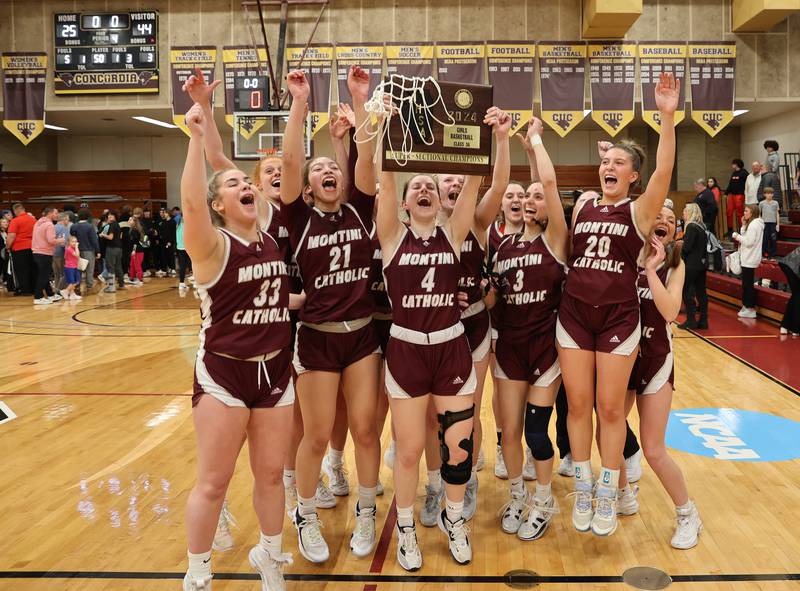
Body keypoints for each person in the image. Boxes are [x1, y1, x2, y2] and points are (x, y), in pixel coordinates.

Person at [376, 104, 505, 568]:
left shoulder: (455, 234)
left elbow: (473, 181)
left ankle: (455, 520)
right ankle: (407, 527)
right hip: (407, 349)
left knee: (458, 447)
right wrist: (387, 130)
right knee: (409, 451)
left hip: (451, 348)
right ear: (407, 204)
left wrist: (486, 134)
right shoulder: (391, 237)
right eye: (418, 188)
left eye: (431, 185)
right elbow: (386, 178)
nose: (427, 189)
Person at [556, 72, 679, 537]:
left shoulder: (640, 210)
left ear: (633, 175)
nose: (609, 164)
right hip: (573, 315)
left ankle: (609, 490)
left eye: (620, 161)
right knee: (578, 405)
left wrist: (666, 118)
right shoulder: (584, 203)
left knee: (610, 410)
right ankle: (584, 485)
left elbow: (664, 173)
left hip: (619, 316)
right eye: (606, 159)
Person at [180, 102, 295, 591]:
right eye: (232, 187)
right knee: (215, 481)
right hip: (224, 373)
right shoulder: (211, 246)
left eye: (246, 184)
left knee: (271, 477)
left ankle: (269, 557)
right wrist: (194, 134)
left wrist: (211, 127)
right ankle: (198, 570)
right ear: (218, 206)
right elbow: (190, 203)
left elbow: (228, 163)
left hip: (274, 371)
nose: (244, 186)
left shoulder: (268, 233)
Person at [281, 68, 381, 564]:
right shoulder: (297, 217)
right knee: (317, 435)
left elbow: (366, 164)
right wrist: (301, 103)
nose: (328, 172)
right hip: (317, 339)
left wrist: (361, 103)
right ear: (308, 183)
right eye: (319, 169)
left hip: (361, 337)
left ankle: (366, 509)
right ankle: (304, 513)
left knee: (365, 430)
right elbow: (292, 161)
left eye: (333, 168)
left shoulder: (361, 208)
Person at [418, 92, 510, 525]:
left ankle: (467, 477)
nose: (453, 186)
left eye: (459, 181)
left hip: (472, 326)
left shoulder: (475, 221)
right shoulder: (417, 228)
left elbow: (498, 183)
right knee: (432, 416)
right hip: (431, 330)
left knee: (466, 412)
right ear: (434, 192)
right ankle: (435, 482)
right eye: (445, 182)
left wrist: (501, 139)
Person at [488, 116, 567, 541]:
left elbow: (550, 187)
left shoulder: (555, 240)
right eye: (527, 197)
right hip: (509, 346)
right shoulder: (501, 245)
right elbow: (493, 299)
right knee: (510, 432)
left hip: (544, 348)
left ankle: (542, 498)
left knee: (537, 431)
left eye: (537, 196)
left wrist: (535, 142)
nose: (533, 200)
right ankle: (517, 494)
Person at [628, 207, 702, 548]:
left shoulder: (675, 264)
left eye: (672, 221)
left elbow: (671, 311)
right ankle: (621, 493)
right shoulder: (625, 251)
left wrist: (651, 270)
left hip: (656, 359)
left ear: (676, 232)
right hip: (623, 357)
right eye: (658, 216)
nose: (664, 222)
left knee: (654, 450)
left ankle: (688, 514)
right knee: (609, 428)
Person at [678, 204, 708, 330]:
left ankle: (691, 320)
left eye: (685, 210)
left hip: (691, 264)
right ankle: (703, 321)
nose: (683, 212)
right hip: (702, 263)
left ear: (690, 212)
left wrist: (680, 245)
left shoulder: (691, 226)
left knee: (686, 291)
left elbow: (687, 247)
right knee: (701, 292)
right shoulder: (702, 227)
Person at [732, 205, 765, 319]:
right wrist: (744, 225)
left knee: (748, 285)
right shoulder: (753, 224)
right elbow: (746, 236)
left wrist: (736, 236)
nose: (744, 213)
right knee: (746, 284)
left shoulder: (754, 225)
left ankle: (750, 308)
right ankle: (747, 307)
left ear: (752, 213)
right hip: (749, 257)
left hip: (750, 258)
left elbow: (748, 241)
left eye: (746, 211)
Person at [32, 207, 65, 305]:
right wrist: (61, 240)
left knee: (44, 275)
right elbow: (51, 240)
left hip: (37, 252)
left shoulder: (38, 223)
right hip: (45, 253)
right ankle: (38, 297)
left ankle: (50, 295)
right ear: (50, 213)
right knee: (43, 276)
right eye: (56, 213)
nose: (57, 215)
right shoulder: (49, 224)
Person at [7, 202, 36, 296]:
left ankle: (25, 290)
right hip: (32, 247)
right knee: (32, 268)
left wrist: (7, 247)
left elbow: (11, 236)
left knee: (22, 270)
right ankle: (33, 289)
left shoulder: (15, 221)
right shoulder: (33, 219)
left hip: (19, 248)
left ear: (16, 210)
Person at [71, 209, 100, 293]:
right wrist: (98, 251)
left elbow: (72, 239)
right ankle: (89, 287)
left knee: (78, 270)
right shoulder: (90, 226)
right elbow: (94, 240)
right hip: (88, 250)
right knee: (89, 270)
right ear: (88, 216)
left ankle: (77, 287)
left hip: (77, 250)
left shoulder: (74, 226)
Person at [99, 211, 126, 293]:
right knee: (118, 266)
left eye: (112, 215)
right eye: (109, 215)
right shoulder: (117, 224)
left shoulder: (112, 225)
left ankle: (111, 287)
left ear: (115, 216)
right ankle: (121, 284)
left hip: (112, 248)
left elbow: (110, 237)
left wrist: (103, 235)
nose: (110, 216)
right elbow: (120, 236)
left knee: (110, 267)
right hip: (119, 248)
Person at [779, 246, 800, 336]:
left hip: (788, 264)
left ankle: (785, 326)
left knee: (796, 295)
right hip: (793, 267)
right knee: (798, 296)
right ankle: (795, 329)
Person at [724, 159, 748, 235]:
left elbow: (748, 183)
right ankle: (730, 229)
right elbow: (730, 184)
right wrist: (726, 193)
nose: (732, 165)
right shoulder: (734, 173)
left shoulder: (744, 172)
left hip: (739, 195)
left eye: (733, 164)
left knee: (739, 212)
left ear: (737, 164)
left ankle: (742, 229)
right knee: (729, 212)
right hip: (732, 195)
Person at [52, 212, 71, 294]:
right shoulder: (64, 228)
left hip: (53, 254)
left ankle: (56, 289)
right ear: (64, 219)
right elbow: (65, 243)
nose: (68, 222)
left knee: (56, 274)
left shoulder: (53, 227)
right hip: (61, 254)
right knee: (63, 274)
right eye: (68, 220)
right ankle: (61, 290)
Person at [759, 187, 780, 259]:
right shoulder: (761, 203)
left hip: (773, 224)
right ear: (764, 194)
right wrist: (761, 222)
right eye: (768, 193)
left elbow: (777, 213)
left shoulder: (775, 203)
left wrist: (778, 224)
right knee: (764, 239)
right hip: (764, 223)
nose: (769, 195)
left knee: (773, 239)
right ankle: (765, 254)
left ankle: (773, 255)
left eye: (771, 193)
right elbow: (759, 214)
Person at [61, 235, 82, 301]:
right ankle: (65, 291)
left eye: (76, 241)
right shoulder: (69, 249)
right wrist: (76, 247)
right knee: (72, 282)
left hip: (75, 266)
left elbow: (78, 256)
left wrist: (76, 248)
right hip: (70, 267)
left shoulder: (74, 249)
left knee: (76, 281)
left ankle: (72, 294)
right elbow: (77, 255)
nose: (74, 243)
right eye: (73, 241)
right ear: (69, 242)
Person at [128, 217, 145, 286]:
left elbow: (135, 242)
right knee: (132, 264)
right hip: (136, 250)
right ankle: (132, 278)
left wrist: (134, 250)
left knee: (137, 265)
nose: (128, 221)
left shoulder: (134, 230)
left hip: (137, 251)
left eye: (130, 220)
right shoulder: (132, 230)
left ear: (134, 222)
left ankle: (140, 279)